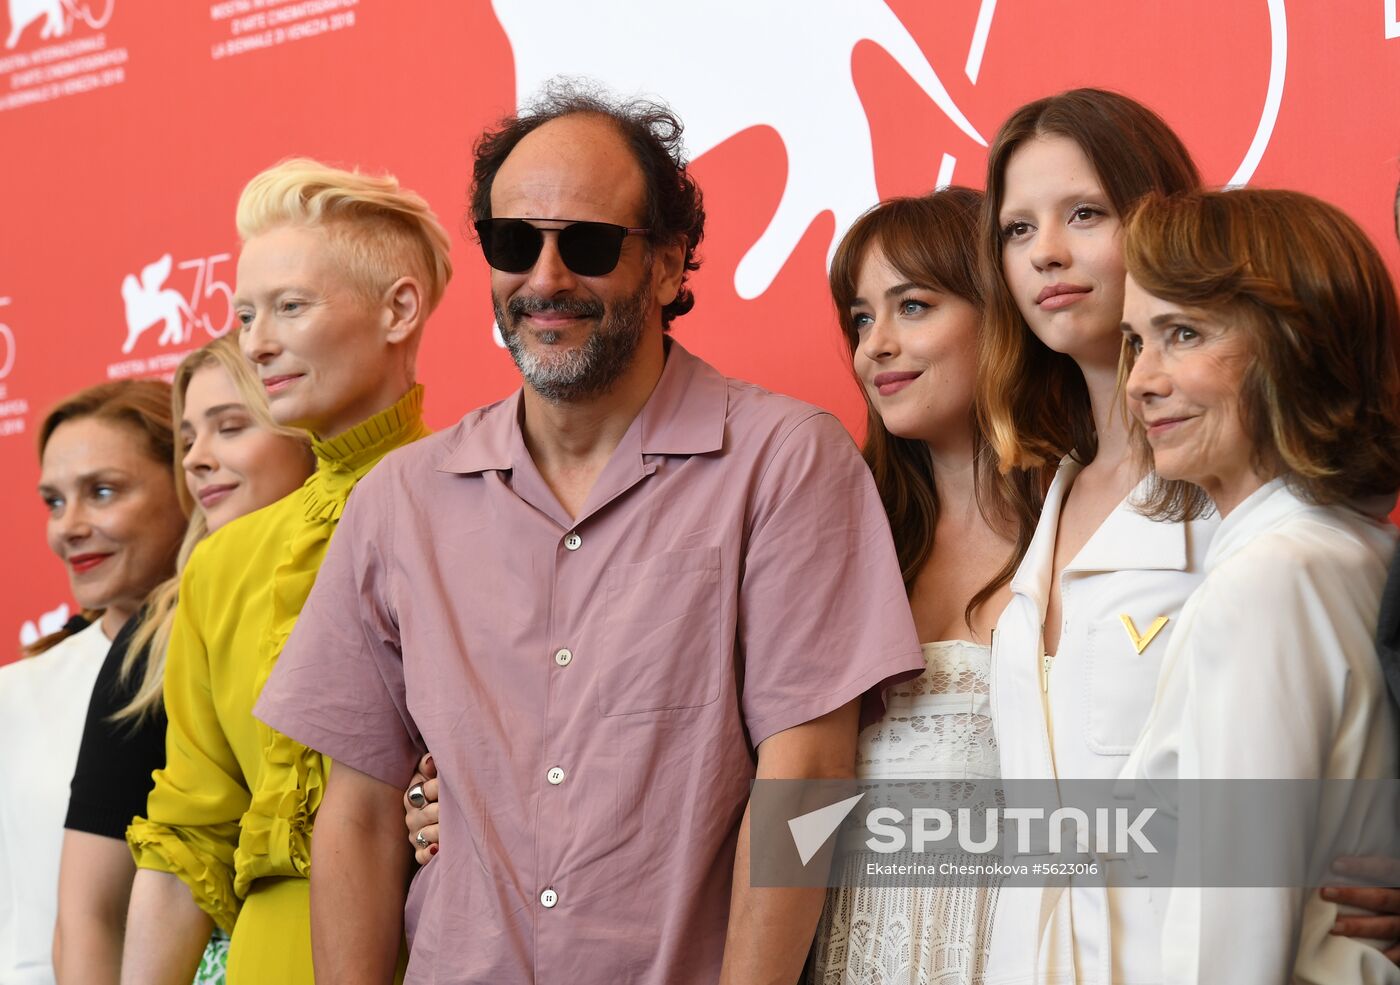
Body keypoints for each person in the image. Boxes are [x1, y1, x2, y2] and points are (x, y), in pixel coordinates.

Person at [254, 84, 925, 984]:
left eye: (590, 243)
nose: (545, 278)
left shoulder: (784, 460)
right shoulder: (399, 501)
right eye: (514, 241)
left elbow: (805, 778)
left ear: (667, 264)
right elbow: (362, 810)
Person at [404, 188, 1048, 984]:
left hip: (1027, 941)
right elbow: (704, 765)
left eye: (912, 305)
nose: (877, 344)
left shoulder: (1091, 532)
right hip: (841, 949)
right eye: (859, 318)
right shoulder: (839, 519)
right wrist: (469, 800)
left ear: (1007, 310)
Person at [120, 158, 452, 985]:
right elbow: (183, 846)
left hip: (452, 949)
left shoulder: (493, 511)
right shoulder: (222, 564)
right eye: (244, 313)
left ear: (398, 308)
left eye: (290, 307)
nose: (257, 340)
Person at [1117, 187, 1400, 982]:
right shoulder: (1355, 553)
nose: (1140, 378)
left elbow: (1231, 930)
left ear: (1292, 344)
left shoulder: (1270, 579)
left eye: (1183, 333)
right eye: (1135, 340)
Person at [975, 89, 1214, 985]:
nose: (1047, 252)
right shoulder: (1049, 499)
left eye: (1084, 213)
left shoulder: (1243, 499)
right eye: (1016, 229)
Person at [54, 336, 312, 985]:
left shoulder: (394, 570)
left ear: (308, 427)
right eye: (188, 437)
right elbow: (91, 912)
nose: (197, 459)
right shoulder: (157, 636)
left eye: (229, 427)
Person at [1, 380, 186, 985]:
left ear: (188, 483)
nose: (69, 528)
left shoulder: (262, 664)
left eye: (102, 492)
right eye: (54, 502)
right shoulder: (15, 696)